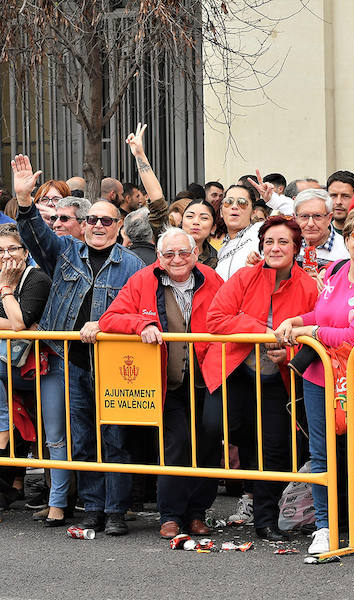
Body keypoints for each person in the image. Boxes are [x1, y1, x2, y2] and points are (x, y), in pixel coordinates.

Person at [13, 153, 145, 536]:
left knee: (116, 440)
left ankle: (117, 511)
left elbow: (141, 313)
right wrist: (24, 202)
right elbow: (36, 236)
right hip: (70, 360)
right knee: (82, 440)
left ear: (119, 226)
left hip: (116, 363)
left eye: (106, 220)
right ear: (83, 225)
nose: (98, 226)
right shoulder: (65, 252)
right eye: (92, 220)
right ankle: (92, 509)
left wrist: (104, 324)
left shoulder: (134, 265)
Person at [274, 205, 354, 554]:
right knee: (321, 452)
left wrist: (308, 330)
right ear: (347, 237)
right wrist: (295, 319)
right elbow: (324, 314)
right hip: (317, 375)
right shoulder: (336, 270)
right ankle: (324, 526)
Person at [99, 228, 224, 538]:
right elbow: (109, 318)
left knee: (209, 442)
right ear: (158, 257)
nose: (177, 259)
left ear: (196, 253)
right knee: (176, 444)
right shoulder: (143, 280)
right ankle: (170, 514)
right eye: (169, 254)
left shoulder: (212, 279)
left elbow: (230, 315)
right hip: (164, 382)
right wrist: (142, 323)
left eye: (183, 252)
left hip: (206, 378)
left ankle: (197, 513)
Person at [201, 215, 318, 541]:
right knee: (215, 425)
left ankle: (266, 520)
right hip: (235, 371)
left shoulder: (308, 285)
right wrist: (263, 333)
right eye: (269, 242)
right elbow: (217, 318)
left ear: (296, 247)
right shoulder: (243, 277)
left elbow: (315, 331)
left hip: (277, 380)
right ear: (261, 246)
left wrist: (290, 354)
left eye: (283, 242)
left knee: (275, 448)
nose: (275, 248)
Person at [0, 225, 51, 513]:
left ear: (25, 252)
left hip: (33, 369)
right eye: (0, 251)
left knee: (51, 431)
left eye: (12, 249)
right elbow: (18, 322)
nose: (6, 256)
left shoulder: (37, 279)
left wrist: (6, 288)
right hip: (5, 366)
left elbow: (22, 323)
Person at [215, 183, 262, 279]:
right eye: (228, 202)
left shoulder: (261, 231)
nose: (234, 206)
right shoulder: (222, 250)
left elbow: (296, 219)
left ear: (253, 212)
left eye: (242, 202)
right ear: (221, 212)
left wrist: (272, 199)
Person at [294, 188, 349, 269]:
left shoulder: (346, 250)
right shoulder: (289, 246)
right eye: (304, 216)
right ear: (295, 218)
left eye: (317, 216)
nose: (310, 224)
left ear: (329, 218)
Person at [181, 199, 219, 268]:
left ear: (213, 228)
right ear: (182, 222)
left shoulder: (217, 259)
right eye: (190, 216)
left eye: (204, 218)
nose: (196, 222)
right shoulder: (166, 249)